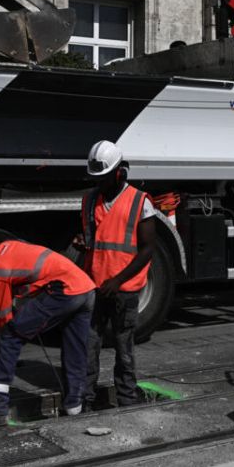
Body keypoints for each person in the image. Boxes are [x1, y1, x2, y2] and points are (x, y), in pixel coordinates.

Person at [0, 236, 96, 425]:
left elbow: (5, 323)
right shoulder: (6, 246)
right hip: (86, 289)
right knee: (75, 349)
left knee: (9, 338)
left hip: (63, 291)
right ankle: (74, 408)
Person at [78, 139, 158, 409]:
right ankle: (85, 400)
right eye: (96, 178)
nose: (99, 184)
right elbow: (94, 241)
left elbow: (147, 249)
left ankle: (126, 399)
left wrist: (118, 280)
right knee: (89, 345)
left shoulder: (139, 202)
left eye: (103, 178)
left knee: (124, 347)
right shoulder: (89, 200)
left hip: (124, 289)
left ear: (119, 173)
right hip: (95, 286)